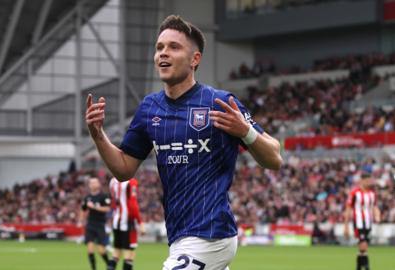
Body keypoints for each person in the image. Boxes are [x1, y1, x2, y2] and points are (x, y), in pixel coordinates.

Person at [86, 14, 282, 269]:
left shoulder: (219, 102)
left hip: (211, 234)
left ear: (195, 59)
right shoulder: (149, 108)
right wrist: (98, 135)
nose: (163, 54)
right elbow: (123, 169)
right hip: (179, 236)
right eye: (159, 48)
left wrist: (245, 131)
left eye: (173, 47)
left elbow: (275, 157)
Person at [344, 172, 380, 270]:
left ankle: (359, 267)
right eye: (367, 180)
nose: (369, 182)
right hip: (358, 222)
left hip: (368, 223)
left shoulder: (372, 194)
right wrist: (346, 226)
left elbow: (375, 206)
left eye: (370, 180)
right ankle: (367, 266)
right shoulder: (354, 193)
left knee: (362, 246)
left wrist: (377, 215)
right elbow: (348, 209)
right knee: (363, 244)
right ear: (362, 181)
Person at [107, 177, 145, 270]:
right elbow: (133, 204)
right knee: (129, 254)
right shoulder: (131, 182)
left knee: (116, 253)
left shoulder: (112, 181)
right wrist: (140, 223)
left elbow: (113, 203)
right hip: (127, 221)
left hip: (116, 220)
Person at [80, 177, 112, 270]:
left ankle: (109, 265)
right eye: (92, 183)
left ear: (99, 184)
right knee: (90, 249)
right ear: (89, 185)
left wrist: (94, 207)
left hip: (100, 225)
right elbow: (83, 209)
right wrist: (81, 219)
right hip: (90, 224)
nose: (93, 184)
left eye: (95, 182)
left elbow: (107, 208)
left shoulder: (104, 196)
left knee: (101, 250)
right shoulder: (87, 197)